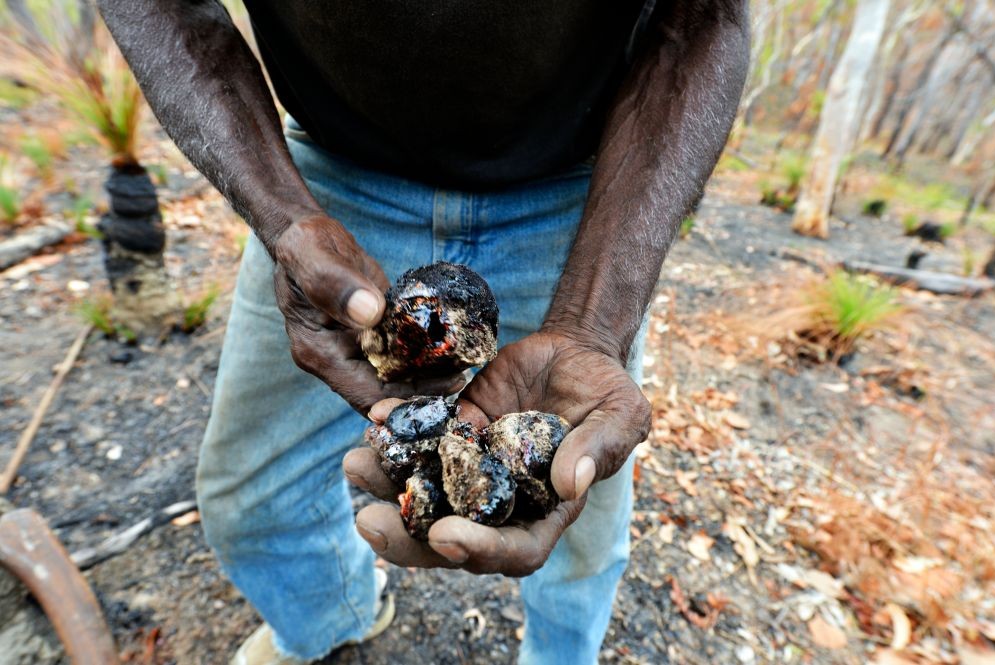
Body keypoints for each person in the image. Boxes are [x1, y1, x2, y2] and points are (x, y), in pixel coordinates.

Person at [97, 1, 749, 663]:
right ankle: (332, 623)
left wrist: (595, 321)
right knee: (248, 496)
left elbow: (703, 16)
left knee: (582, 521)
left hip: (585, 183)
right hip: (330, 179)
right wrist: (282, 218)